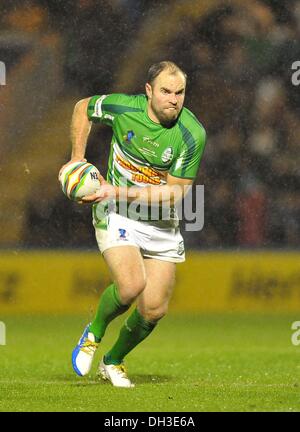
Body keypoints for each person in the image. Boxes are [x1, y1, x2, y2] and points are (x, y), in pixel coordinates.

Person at [59, 61, 206, 388]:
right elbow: (84, 107)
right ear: (149, 91)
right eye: (166, 91)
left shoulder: (191, 134)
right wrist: (77, 157)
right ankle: (93, 333)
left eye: (180, 92)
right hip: (117, 212)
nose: (174, 99)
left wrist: (117, 189)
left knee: (154, 308)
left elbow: (174, 194)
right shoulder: (125, 109)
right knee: (130, 286)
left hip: (160, 220)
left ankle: (113, 361)